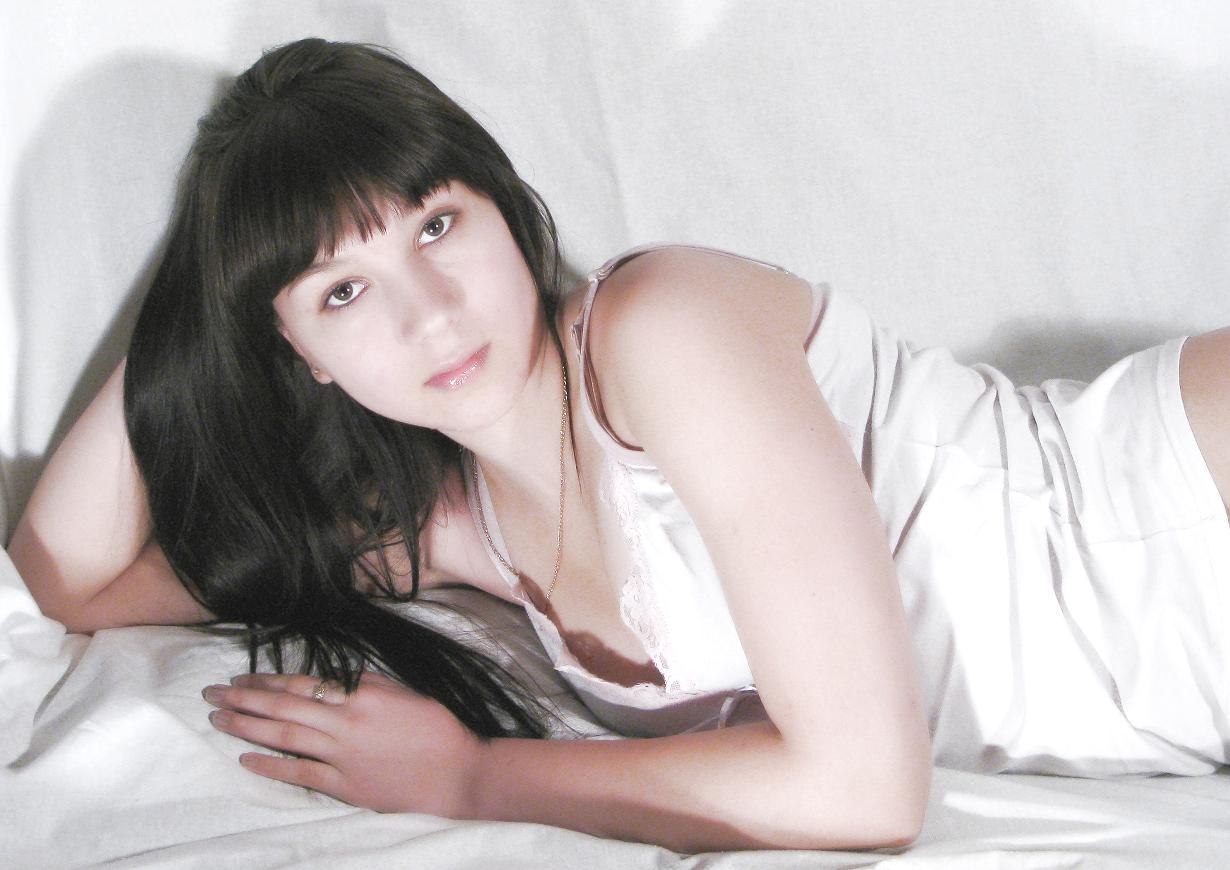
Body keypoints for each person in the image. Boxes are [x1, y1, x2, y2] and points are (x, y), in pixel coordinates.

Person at [7, 36, 1229, 853]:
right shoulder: (449, 532)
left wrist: (472, 780)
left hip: (1182, 507)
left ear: (507, 212)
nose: (429, 312)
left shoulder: (659, 331)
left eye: (436, 225)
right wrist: (202, 282)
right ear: (299, 352)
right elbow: (68, 583)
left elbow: (864, 788)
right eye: (341, 291)